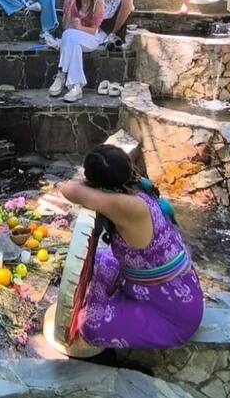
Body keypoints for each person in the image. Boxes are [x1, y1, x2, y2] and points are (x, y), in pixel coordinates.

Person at [60, 144, 204, 349]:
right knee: (102, 259)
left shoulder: (126, 206)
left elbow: (68, 189)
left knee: (89, 325)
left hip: (172, 314)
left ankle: (125, 309)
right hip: (177, 289)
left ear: (98, 183)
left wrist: (88, 183)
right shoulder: (138, 188)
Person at [48, 0, 107, 103]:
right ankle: (76, 86)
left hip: (91, 38)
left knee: (69, 36)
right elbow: (65, 26)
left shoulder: (98, 2)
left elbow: (93, 30)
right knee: (72, 42)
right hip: (74, 38)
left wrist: (80, 27)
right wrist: (69, 9)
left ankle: (61, 74)